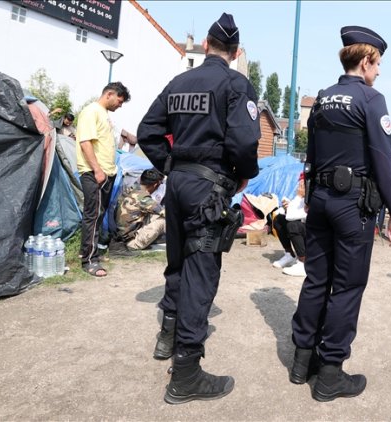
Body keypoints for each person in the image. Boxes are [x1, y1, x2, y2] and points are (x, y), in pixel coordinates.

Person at [137, 12, 260, 405]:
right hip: (209, 188)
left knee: (177, 261)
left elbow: (146, 131)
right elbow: (244, 143)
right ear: (236, 52)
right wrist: (243, 176)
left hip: (177, 185)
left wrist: (171, 165)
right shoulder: (237, 84)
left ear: (205, 45)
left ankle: (166, 337)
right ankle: (186, 372)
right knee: (201, 272)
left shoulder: (179, 82)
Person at [289, 25, 391, 402]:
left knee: (316, 279)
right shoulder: (371, 100)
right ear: (366, 60)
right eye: (379, 63)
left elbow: (312, 155)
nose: (380, 71)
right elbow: (384, 160)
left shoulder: (322, 99)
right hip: (353, 205)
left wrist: (309, 194)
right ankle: (330, 374)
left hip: (320, 199)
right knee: (348, 285)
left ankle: (301, 361)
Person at [76, 82, 131, 277]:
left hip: (105, 173)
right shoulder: (91, 111)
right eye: (119, 100)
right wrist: (97, 170)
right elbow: (85, 142)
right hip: (94, 174)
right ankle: (89, 261)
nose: (120, 105)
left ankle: (91, 252)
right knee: (93, 216)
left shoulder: (102, 114)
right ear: (109, 94)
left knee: (98, 215)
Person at [113, 168, 166, 254]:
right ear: (155, 185)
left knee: (154, 215)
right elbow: (165, 213)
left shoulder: (130, 189)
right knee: (163, 221)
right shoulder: (143, 198)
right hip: (132, 242)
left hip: (122, 234)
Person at [272, 175, 307, 277]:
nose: (299, 188)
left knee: (293, 225)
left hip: (316, 235)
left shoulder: (313, 197)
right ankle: (290, 254)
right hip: (305, 229)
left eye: (302, 185)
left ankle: (303, 263)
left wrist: (298, 196)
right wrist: (288, 206)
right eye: (299, 184)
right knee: (278, 220)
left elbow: (291, 216)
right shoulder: (303, 198)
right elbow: (285, 213)